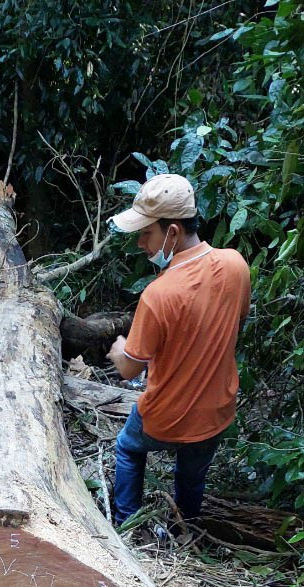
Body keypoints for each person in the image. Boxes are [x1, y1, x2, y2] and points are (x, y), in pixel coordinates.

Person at [106, 173, 251, 527]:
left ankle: (127, 522)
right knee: (192, 473)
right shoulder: (236, 264)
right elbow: (237, 325)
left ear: (172, 232)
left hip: (166, 417)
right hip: (216, 411)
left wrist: (118, 349)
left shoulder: (159, 294)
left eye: (146, 233)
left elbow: (128, 369)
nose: (141, 243)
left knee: (127, 448)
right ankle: (187, 524)